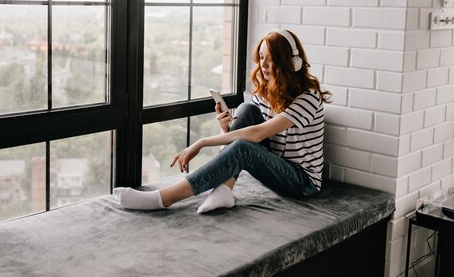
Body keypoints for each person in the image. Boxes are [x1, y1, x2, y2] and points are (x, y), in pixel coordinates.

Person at [113, 29, 331, 213]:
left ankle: (162, 199)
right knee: (246, 109)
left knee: (244, 146)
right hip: (276, 165)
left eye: (271, 58)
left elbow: (256, 136)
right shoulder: (266, 93)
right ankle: (225, 189)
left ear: (290, 63)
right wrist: (224, 126)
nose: (264, 64)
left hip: (302, 182)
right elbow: (247, 131)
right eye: (261, 57)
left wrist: (201, 142)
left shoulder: (308, 97)